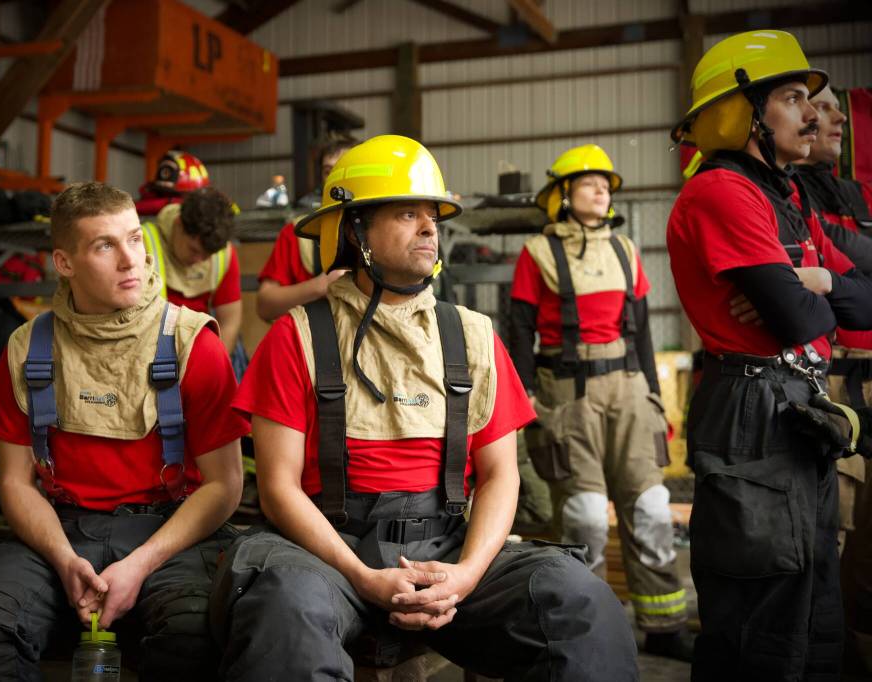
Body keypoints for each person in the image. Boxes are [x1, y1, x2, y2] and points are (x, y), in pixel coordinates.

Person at [210, 135, 638, 681]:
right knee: (283, 612)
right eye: (408, 213)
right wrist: (363, 576)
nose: (430, 228)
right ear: (355, 229)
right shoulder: (297, 336)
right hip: (329, 554)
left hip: (449, 548)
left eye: (433, 215)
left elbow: (500, 474)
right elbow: (278, 488)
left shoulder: (472, 335)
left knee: (581, 603)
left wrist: (466, 574)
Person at [0, 182, 249, 681]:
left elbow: (226, 484)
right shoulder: (27, 348)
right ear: (64, 263)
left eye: (134, 239)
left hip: (169, 534)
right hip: (61, 531)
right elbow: (15, 482)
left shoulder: (192, 343)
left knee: (194, 634)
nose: (131, 261)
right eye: (105, 245)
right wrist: (62, 559)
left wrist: (142, 564)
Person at [667, 30, 872, 679]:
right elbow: (796, 317)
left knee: (814, 609)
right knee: (762, 619)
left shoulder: (785, 203)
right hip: (753, 409)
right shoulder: (721, 192)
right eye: (791, 97)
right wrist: (811, 299)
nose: (813, 114)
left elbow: (860, 307)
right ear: (743, 113)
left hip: (796, 402)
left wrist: (823, 288)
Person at [509, 143, 691, 660]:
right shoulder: (537, 253)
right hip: (567, 393)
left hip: (628, 386)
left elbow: (641, 326)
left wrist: (653, 393)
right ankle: (593, 627)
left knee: (653, 506)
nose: (602, 190)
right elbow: (519, 327)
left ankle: (665, 626)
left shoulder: (625, 250)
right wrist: (523, 394)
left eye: (606, 184)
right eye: (589, 183)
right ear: (563, 195)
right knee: (586, 516)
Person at [793, 85, 872, 552]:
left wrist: (827, 276)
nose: (836, 118)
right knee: (832, 534)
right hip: (830, 383)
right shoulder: (786, 195)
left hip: (865, 372)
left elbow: (841, 267)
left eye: (836, 107)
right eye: (821, 107)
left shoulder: (853, 194)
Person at [255, 136, 358, 322]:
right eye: (328, 171)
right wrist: (320, 286)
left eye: (344, 168)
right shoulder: (299, 233)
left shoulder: (384, 231)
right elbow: (264, 305)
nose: (335, 178)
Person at [142, 185, 242, 356]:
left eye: (207, 255)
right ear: (178, 224)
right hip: (150, 350)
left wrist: (215, 365)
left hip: (200, 352)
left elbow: (230, 321)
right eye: (194, 250)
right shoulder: (142, 243)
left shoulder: (224, 253)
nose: (198, 261)